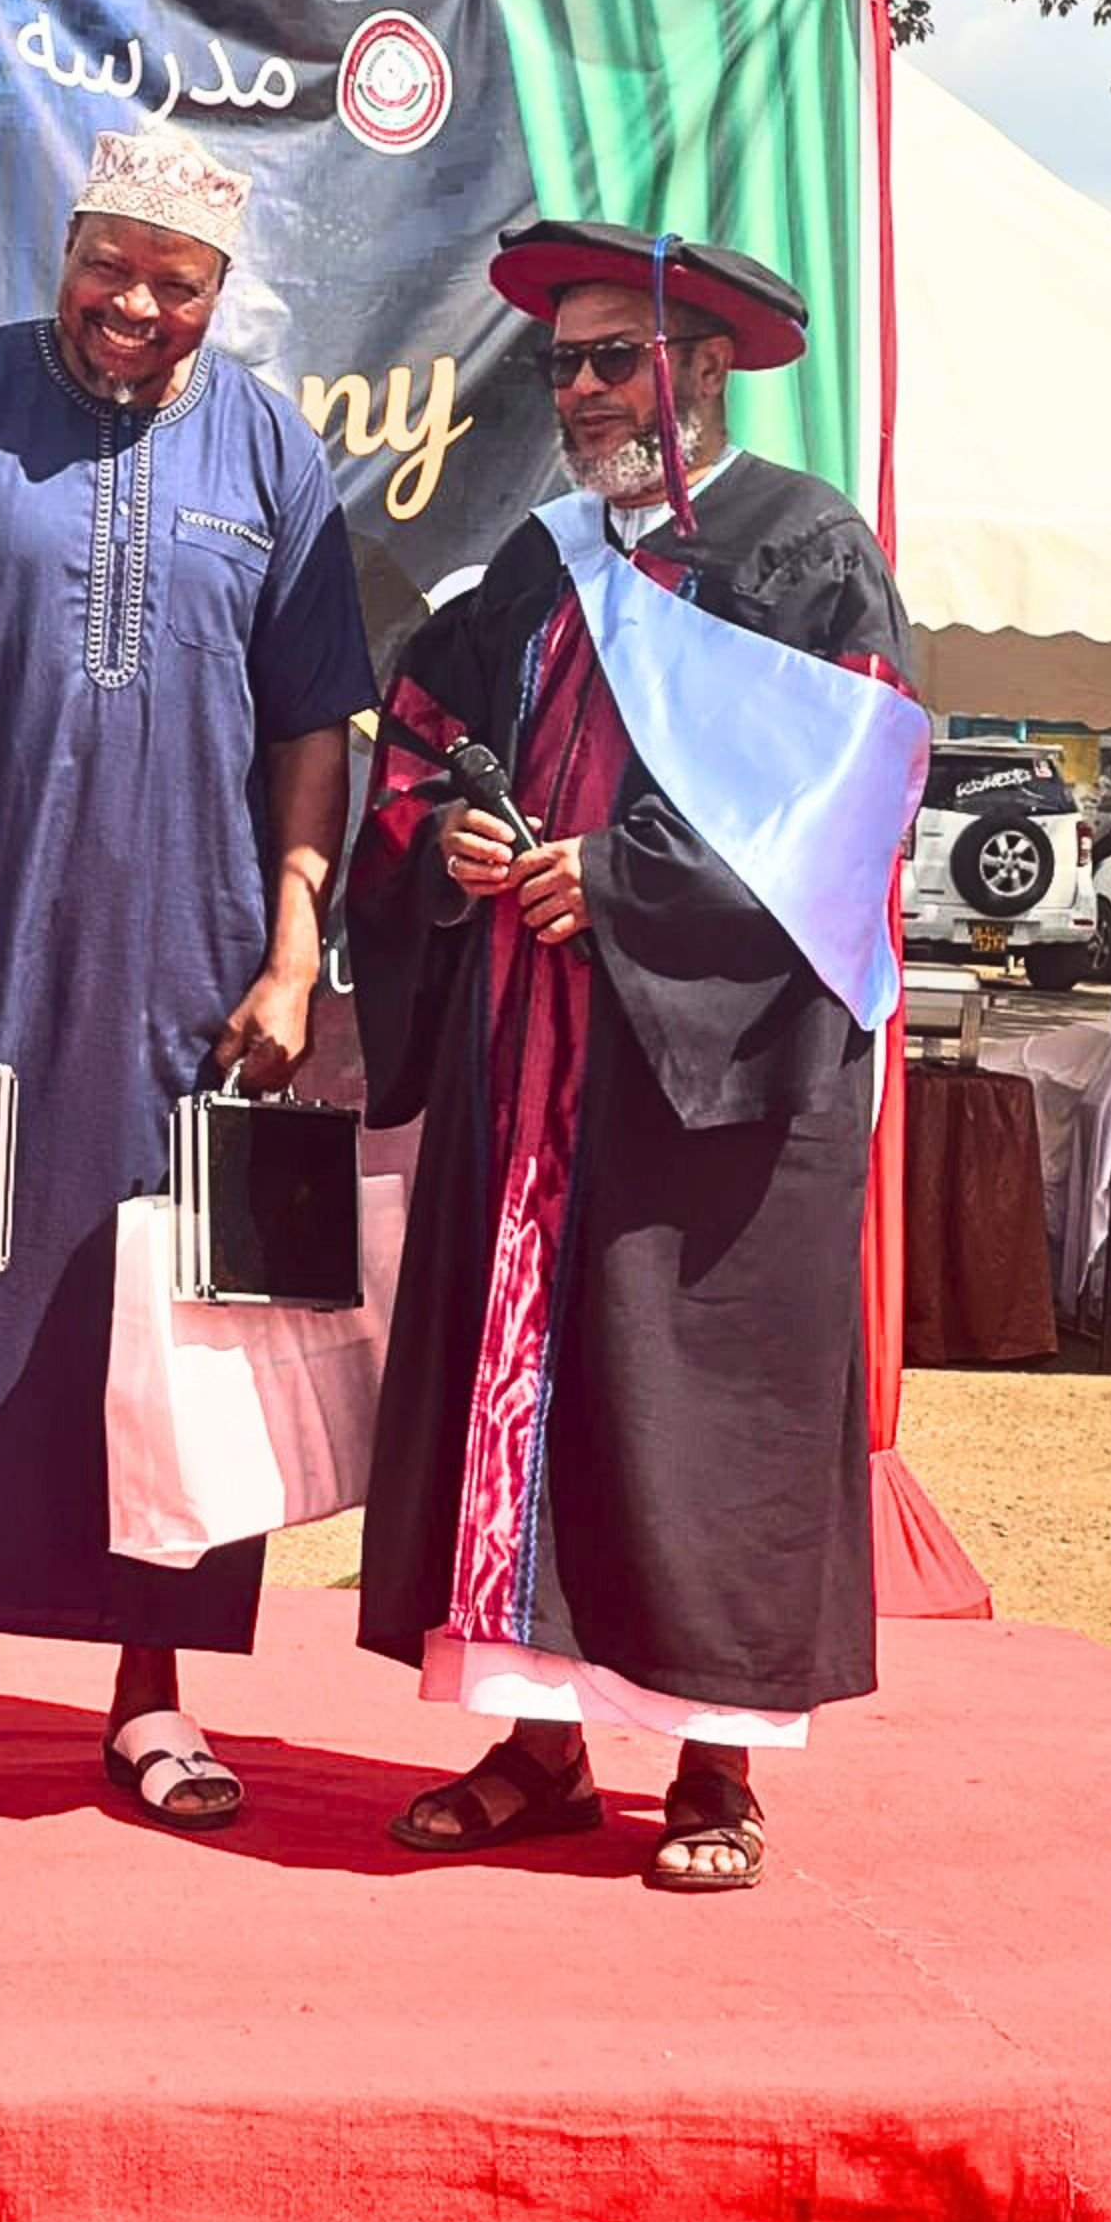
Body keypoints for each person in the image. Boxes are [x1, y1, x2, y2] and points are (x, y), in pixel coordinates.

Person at [0, 124, 375, 1834]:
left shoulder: (271, 451)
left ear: (218, 291)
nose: (134, 306)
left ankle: (154, 1699)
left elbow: (312, 727)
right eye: (107, 267)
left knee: (173, 1339)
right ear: (67, 248)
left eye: (175, 285)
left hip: (183, 975)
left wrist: (294, 953)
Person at [347, 220, 926, 1893]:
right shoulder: (538, 563)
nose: (584, 392)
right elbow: (428, 739)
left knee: (702, 1401)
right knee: (528, 1389)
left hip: (716, 1073)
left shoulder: (805, 556)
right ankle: (535, 1744)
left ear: (703, 370)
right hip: (531, 1060)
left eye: (614, 360)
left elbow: (848, 811)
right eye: (566, 365)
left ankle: (717, 1768)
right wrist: (457, 837)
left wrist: (614, 878)